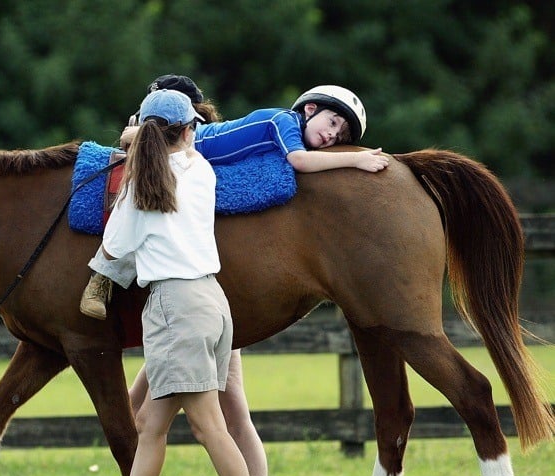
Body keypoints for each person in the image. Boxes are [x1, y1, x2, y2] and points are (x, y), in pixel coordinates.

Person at [69, 89, 275, 476]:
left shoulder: (140, 185)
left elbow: (117, 246)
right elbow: (173, 150)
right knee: (149, 422)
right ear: (188, 131)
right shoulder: (200, 169)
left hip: (174, 307)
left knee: (208, 427)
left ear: (144, 133)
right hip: (213, 304)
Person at [79, 77, 388, 320]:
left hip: (197, 147)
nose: (333, 137)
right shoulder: (284, 121)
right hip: (190, 143)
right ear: (310, 109)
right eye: (333, 123)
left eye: (341, 138)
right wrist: (355, 160)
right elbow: (299, 161)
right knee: (139, 198)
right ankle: (102, 278)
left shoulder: (292, 129)